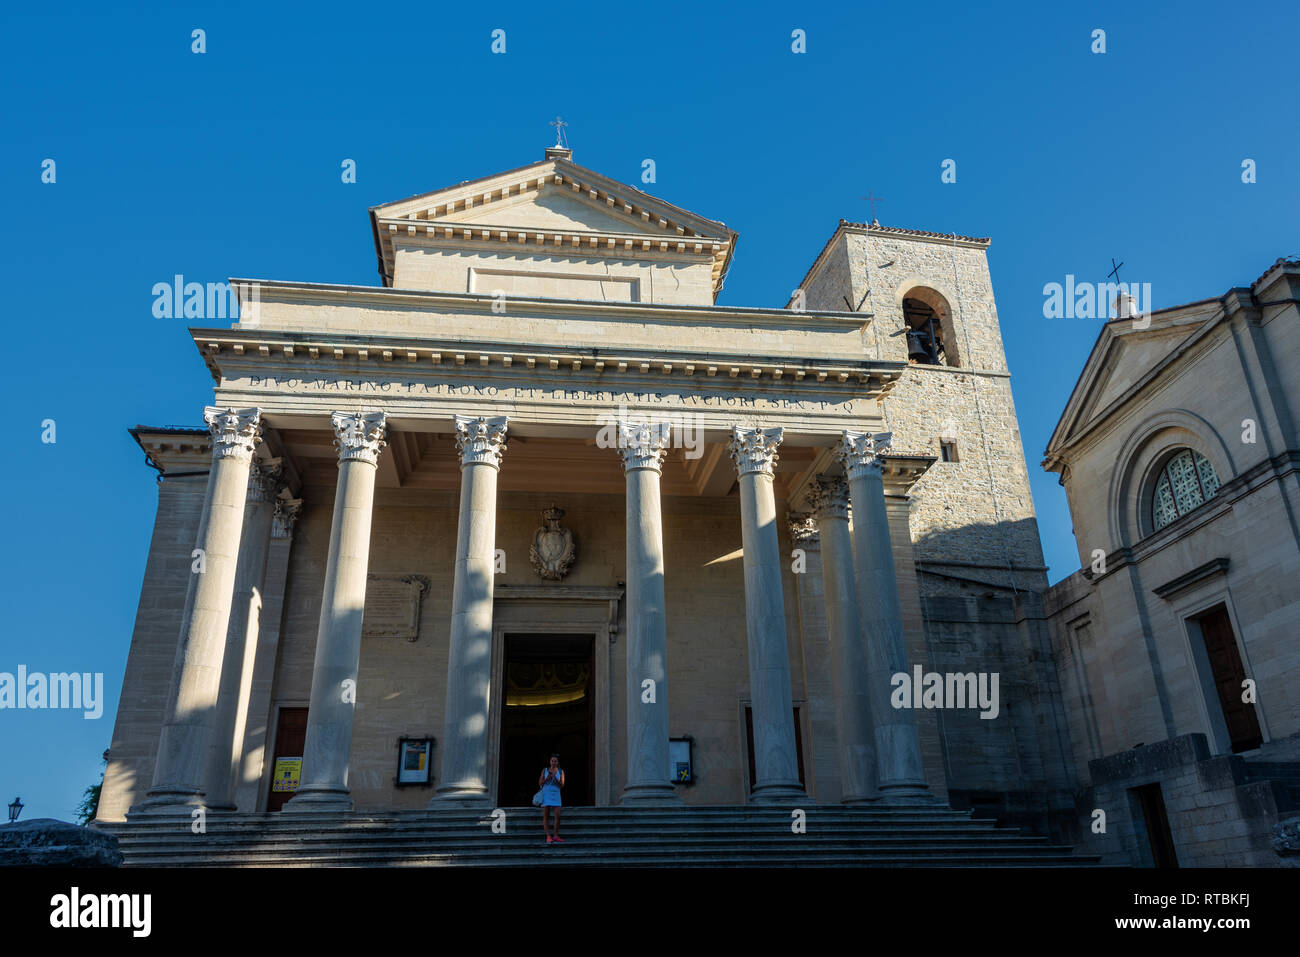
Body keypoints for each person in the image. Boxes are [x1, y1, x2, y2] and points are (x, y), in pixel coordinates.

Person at [539, 754, 565, 844]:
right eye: (552, 761)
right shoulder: (545, 770)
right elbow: (540, 783)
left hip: (556, 795)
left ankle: (556, 835)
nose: (553, 762)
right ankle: (548, 836)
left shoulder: (561, 771)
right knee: (546, 816)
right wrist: (547, 779)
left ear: (558, 762)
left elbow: (562, 785)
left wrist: (555, 778)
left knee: (557, 816)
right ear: (550, 762)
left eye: (555, 761)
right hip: (546, 794)